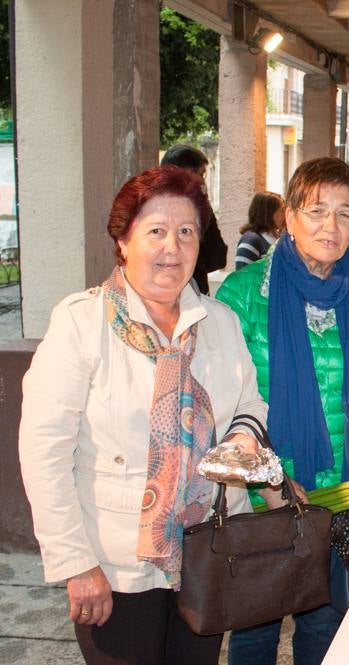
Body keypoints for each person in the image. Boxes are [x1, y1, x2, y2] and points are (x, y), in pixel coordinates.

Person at [19, 166, 267, 664]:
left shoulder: (219, 323)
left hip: (206, 554)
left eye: (186, 232)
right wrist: (77, 565)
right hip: (115, 568)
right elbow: (44, 451)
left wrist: (242, 438)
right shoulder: (82, 324)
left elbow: (249, 404)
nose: (171, 248)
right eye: (155, 231)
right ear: (124, 240)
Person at [216, 157, 349, 665]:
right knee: (255, 633)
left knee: (324, 629)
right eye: (317, 210)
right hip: (262, 503)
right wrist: (271, 481)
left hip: (335, 500)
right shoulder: (242, 296)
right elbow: (220, 406)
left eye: (345, 214)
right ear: (289, 216)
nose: (331, 225)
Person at [160, 145, 227, 294]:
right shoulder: (154, 211)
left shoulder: (200, 210)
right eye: (201, 174)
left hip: (195, 295)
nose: (203, 182)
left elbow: (218, 257)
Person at [235, 191, 284, 270]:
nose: (284, 214)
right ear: (269, 213)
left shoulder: (280, 238)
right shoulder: (251, 239)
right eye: (281, 210)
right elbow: (242, 274)